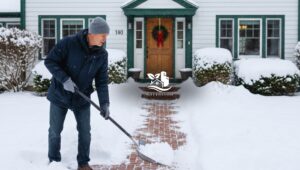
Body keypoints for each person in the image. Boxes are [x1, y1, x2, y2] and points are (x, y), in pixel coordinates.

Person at [44, 17, 110, 170]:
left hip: (82, 97)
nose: (105, 39)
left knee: (85, 131)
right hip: (60, 95)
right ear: (92, 33)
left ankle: (83, 162)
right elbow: (50, 61)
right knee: (55, 130)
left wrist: (105, 104)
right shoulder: (69, 43)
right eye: (103, 35)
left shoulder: (102, 55)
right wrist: (65, 79)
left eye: (106, 36)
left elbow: (101, 82)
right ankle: (54, 162)